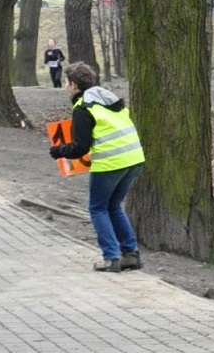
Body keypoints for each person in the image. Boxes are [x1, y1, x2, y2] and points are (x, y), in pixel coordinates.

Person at [48, 62, 145, 273]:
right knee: (113, 206)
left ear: (74, 84)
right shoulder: (108, 100)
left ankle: (111, 258)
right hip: (134, 158)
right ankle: (131, 254)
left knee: (98, 208)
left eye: (66, 82)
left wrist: (60, 151)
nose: (65, 86)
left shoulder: (83, 107)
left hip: (111, 162)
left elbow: (81, 147)